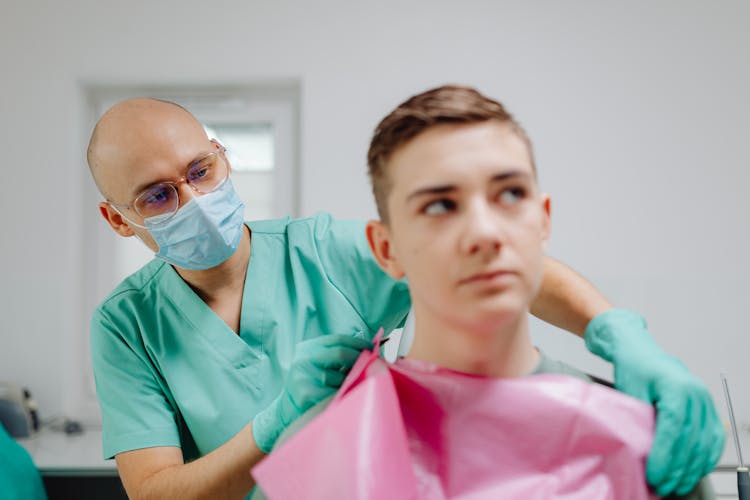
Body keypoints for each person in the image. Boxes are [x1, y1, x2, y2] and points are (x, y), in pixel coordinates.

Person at [86, 97, 723, 499]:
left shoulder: (321, 251)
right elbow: (156, 493)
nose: (194, 200)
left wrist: (621, 335)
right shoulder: (126, 324)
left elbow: (506, 266)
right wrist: (273, 426)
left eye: (201, 171)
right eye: (158, 195)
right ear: (119, 220)